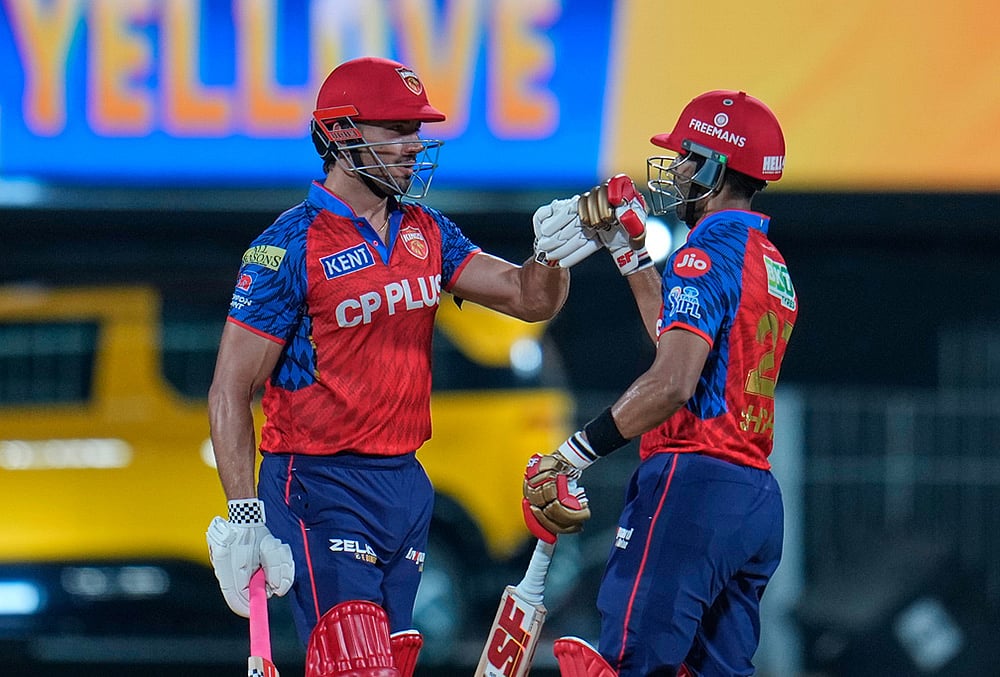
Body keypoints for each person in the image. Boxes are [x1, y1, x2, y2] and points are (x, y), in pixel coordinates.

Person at [203, 55, 627, 677]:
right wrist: (244, 518)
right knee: (354, 665)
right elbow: (229, 388)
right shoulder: (286, 247)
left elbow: (528, 299)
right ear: (343, 133)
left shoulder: (425, 230)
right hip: (319, 486)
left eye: (416, 129)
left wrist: (552, 252)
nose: (413, 146)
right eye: (397, 129)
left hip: (405, 488)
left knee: (389, 665)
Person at [522, 90, 798, 677]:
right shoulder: (766, 257)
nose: (673, 171)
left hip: (692, 483)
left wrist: (574, 453)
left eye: (686, 159)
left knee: (633, 663)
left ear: (717, 170)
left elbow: (673, 381)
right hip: (752, 496)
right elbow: (677, 340)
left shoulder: (706, 251)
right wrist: (630, 253)